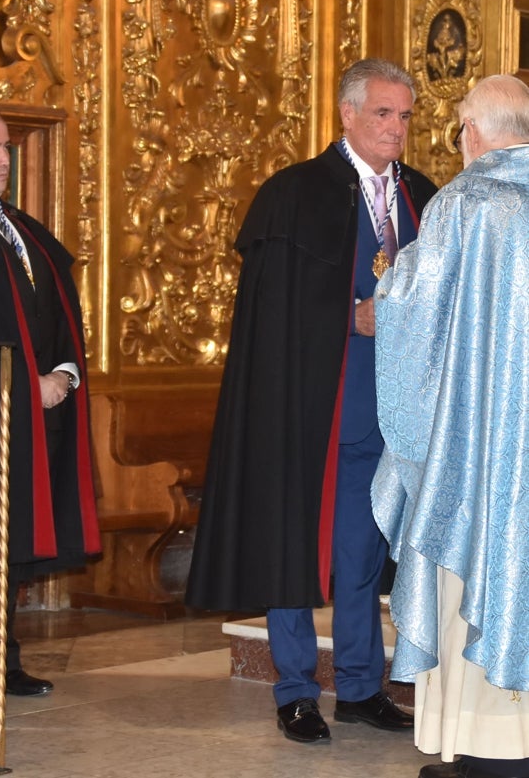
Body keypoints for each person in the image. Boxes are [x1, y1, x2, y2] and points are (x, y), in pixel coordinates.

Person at [186, 58, 437, 743]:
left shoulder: (421, 195)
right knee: (290, 546)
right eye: (382, 112)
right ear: (347, 114)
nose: (395, 127)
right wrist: (346, 318)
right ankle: (295, 689)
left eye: (405, 115)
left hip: (392, 417)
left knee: (362, 557)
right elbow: (274, 315)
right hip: (310, 409)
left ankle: (359, 685)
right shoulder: (293, 194)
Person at [371, 75, 529, 778]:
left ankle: (487, 745)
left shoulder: (466, 202)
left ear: (473, 132)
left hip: (482, 449)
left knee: (477, 567)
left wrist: (386, 280)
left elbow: (412, 310)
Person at [0, 100, 101, 700]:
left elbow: (52, 309)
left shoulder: (15, 223)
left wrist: (60, 373)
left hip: (31, 403)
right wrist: (21, 383)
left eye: (7, 148)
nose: (5, 159)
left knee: (3, 536)